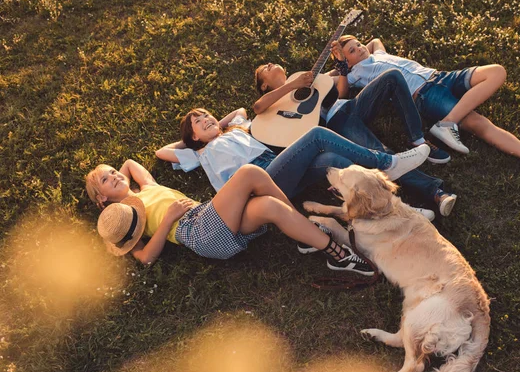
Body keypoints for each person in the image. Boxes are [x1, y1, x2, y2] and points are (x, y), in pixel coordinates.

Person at [330, 35, 520, 188]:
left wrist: (353, 46)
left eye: (358, 44)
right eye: (353, 51)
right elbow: (340, 91)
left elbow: (376, 40)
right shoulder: (354, 74)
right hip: (426, 94)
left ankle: (448, 123)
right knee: (479, 124)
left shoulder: (378, 53)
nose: (360, 49)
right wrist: (340, 66)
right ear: (346, 63)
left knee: (497, 72)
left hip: (441, 76)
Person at [86, 160, 375, 275]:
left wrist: (115, 182)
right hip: (197, 233)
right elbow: (146, 257)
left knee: (269, 207)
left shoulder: (147, 188)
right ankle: (317, 234)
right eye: (105, 179)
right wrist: (167, 219)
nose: (113, 175)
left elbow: (129, 165)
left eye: (111, 172)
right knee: (249, 173)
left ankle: (332, 252)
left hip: (209, 218)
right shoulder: (127, 225)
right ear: (101, 199)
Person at [254, 64, 459, 216]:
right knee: (380, 153)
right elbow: (257, 107)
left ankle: (418, 139)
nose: (271, 64)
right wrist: (293, 86)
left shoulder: (305, 77)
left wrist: (341, 69)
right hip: (336, 126)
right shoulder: (271, 110)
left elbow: (338, 92)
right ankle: (435, 192)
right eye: (265, 68)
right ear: (264, 85)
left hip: (350, 106)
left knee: (392, 76)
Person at [155, 108, 436, 216]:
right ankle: (386, 163)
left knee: (336, 160)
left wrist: (219, 124)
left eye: (206, 115)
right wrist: (194, 140)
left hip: (281, 169)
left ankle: (395, 208)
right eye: (198, 122)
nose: (206, 120)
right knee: (316, 136)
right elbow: (162, 152)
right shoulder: (198, 154)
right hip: (262, 184)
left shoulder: (237, 129)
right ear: (192, 135)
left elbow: (240, 111)